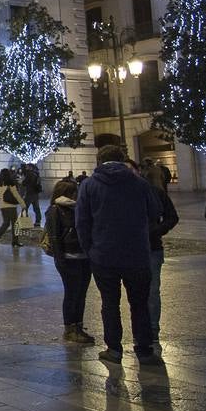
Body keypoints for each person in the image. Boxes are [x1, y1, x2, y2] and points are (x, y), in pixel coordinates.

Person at [75, 145, 162, 366]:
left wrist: (90, 250)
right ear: (123, 159)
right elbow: (155, 212)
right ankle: (144, 350)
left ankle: (114, 349)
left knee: (109, 303)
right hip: (136, 254)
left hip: (103, 255)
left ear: (99, 160)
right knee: (140, 304)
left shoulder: (88, 185)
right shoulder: (139, 183)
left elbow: (82, 222)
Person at [44, 180, 93, 344]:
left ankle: (78, 326)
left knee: (81, 294)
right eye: (75, 192)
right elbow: (54, 237)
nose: (77, 194)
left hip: (84, 257)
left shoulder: (80, 208)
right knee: (72, 293)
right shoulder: (55, 210)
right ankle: (70, 329)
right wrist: (60, 259)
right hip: (68, 258)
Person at [147, 179, 179, 344]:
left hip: (152, 248)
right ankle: (139, 330)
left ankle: (152, 330)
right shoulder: (116, 192)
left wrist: (156, 231)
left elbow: (172, 217)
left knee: (152, 291)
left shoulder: (154, 192)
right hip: (125, 250)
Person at [0, 168, 24, 247]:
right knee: (15, 224)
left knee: (6, 223)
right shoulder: (10, 183)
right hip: (11, 206)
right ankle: (15, 241)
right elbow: (16, 195)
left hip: (2, 206)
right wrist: (23, 204)